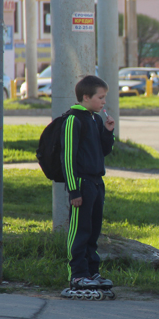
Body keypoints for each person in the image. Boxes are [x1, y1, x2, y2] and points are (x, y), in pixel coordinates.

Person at [61, 75, 115, 291]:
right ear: (85, 96)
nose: (103, 102)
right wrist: (74, 191)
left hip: (96, 183)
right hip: (81, 184)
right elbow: (68, 158)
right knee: (80, 230)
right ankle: (77, 275)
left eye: (104, 98)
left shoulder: (96, 119)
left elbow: (102, 151)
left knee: (93, 230)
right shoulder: (73, 119)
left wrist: (108, 133)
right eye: (100, 97)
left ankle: (92, 272)